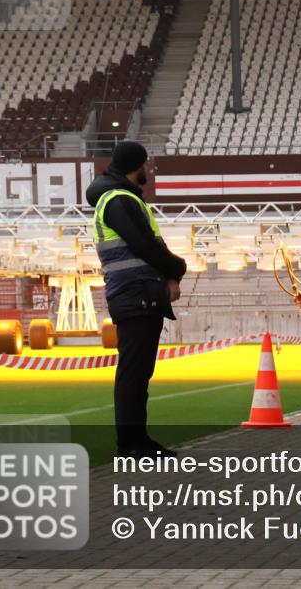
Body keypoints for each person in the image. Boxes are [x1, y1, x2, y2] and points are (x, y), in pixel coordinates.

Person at [87, 141, 187, 458]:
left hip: (138, 294)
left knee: (138, 373)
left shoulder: (120, 198)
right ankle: (132, 445)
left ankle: (137, 441)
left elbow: (148, 246)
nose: (148, 169)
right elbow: (145, 246)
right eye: (146, 163)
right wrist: (177, 268)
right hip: (135, 294)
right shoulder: (119, 200)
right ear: (137, 165)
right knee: (134, 374)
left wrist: (169, 275)